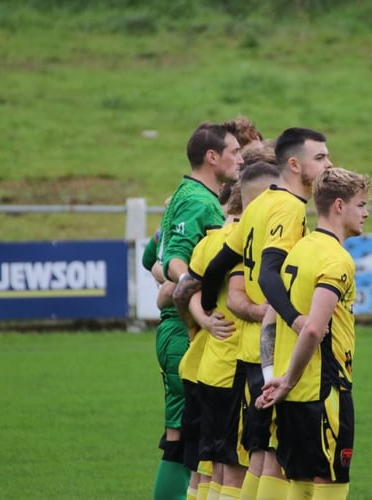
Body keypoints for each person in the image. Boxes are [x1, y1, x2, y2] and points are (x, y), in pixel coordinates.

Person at [200, 127, 333, 500]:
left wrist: (208, 311)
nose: (329, 163)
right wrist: (295, 318)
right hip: (272, 351)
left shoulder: (258, 205)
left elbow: (216, 267)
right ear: (294, 164)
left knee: (259, 454)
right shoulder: (289, 208)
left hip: (247, 354)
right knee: (273, 454)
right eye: (320, 157)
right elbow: (269, 272)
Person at [256, 167, 371, 500]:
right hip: (323, 392)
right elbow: (312, 330)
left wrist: (275, 376)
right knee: (331, 484)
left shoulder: (299, 250)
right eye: (361, 205)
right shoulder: (336, 259)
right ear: (339, 205)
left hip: (292, 396)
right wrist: (288, 379)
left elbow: (270, 320)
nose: (365, 214)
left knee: (300, 486)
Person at [174, 161, 282, 500]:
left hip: (204, 365)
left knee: (208, 467)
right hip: (233, 365)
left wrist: (201, 321)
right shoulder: (247, 241)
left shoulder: (209, 240)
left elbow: (183, 290)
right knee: (236, 466)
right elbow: (235, 300)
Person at [153, 122, 244, 500]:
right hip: (183, 329)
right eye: (235, 152)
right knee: (185, 440)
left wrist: (172, 283)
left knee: (186, 438)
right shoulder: (200, 201)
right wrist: (195, 298)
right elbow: (174, 260)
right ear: (212, 157)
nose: (239, 159)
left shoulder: (185, 195)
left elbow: (152, 256)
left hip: (177, 326)